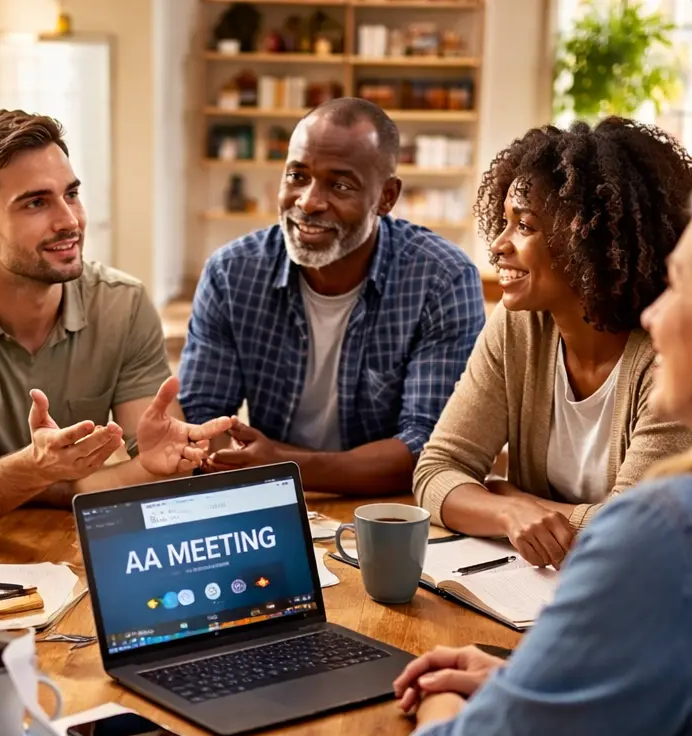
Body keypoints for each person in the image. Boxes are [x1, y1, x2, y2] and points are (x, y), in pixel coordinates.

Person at [391, 208, 692, 736]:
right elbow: (439, 467)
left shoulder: (665, 533)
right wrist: (533, 678)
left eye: (680, 289)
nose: (659, 312)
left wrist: (446, 700)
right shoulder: (516, 330)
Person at [0, 110, 234, 533]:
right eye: (36, 202)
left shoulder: (122, 304)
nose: (69, 220)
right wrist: (40, 469)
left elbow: (154, 466)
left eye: (71, 194)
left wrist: (163, 466)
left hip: (71, 550)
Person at [414, 118, 692, 569]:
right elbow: (436, 471)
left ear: (593, 239)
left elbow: (631, 533)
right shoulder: (517, 326)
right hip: (524, 591)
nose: (498, 246)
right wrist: (509, 510)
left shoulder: (670, 356)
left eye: (524, 226)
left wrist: (511, 491)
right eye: (504, 223)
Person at [177, 97, 485, 495]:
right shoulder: (231, 273)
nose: (309, 202)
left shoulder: (441, 279)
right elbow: (204, 423)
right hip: (268, 502)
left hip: (390, 512)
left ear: (387, 197)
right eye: (297, 176)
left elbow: (431, 449)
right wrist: (251, 464)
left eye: (340, 185)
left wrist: (282, 465)